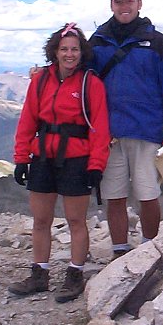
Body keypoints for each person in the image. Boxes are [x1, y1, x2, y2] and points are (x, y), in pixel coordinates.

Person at [89, 0, 163, 259]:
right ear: (111, 5)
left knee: (148, 195)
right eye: (118, 1)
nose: (124, 6)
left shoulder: (158, 43)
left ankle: (149, 251)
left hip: (146, 131)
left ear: (139, 3)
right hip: (108, 134)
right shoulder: (97, 42)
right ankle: (120, 253)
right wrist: (45, 75)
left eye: (129, 1)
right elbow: (78, 78)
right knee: (114, 196)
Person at [9, 23, 110, 303]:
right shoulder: (40, 81)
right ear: (54, 51)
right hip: (42, 156)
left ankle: (74, 274)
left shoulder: (91, 84)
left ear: (82, 52)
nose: (69, 54)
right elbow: (28, 120)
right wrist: (21, 158)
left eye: (74, 49)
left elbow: (100, 129)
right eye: (64, 49)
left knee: (76, 220)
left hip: (77, 158)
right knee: (41, 220)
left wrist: (96, 165)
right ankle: (39, 274)